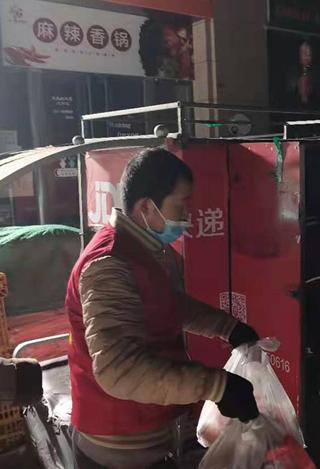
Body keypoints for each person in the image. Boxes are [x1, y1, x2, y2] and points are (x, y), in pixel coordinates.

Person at [65, 147, 260, 468]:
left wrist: (227, 327)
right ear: (146, 207)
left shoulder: (145, 248)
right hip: (121, 449)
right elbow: (119, 370)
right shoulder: (108, 265)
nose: (186, 217)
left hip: (154, 431)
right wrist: (217, 386)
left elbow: (164, 303)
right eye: (180, 206)